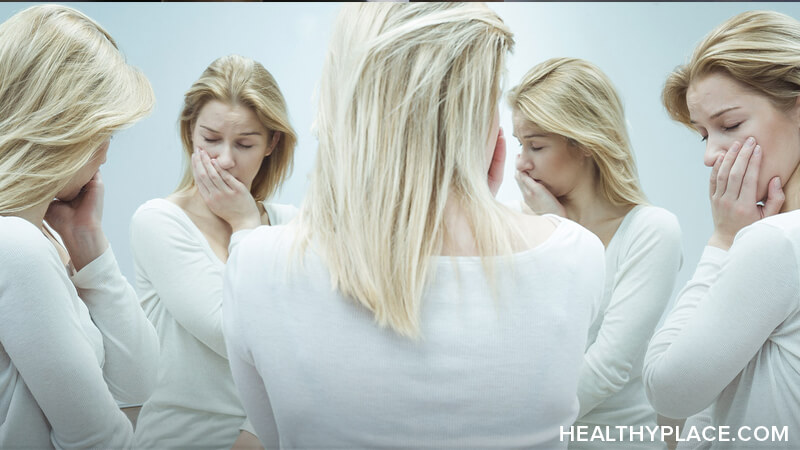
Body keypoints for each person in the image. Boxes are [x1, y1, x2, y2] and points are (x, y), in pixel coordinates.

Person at [222, 3, 605, 449]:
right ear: (479, 117)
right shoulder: (576, 256)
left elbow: (279, 436)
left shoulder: (257, 265)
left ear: (346, 100)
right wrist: (474, 203)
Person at [0, 4, 159, 448]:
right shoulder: (16, 246)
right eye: (103, 132)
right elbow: (98, 439)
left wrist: (90, 244)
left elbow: (142, 379)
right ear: (63, 125)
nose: (106, 154)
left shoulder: (39, 239)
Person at [643, 10, 800, 449]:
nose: (711, 155)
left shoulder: (777, 244)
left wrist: (724, 240)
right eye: (702, 134)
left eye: (730, 125)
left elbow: (667, 393)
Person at [507, 57, 683, 448]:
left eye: (536, 145)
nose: (522, 163)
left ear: (584, 142)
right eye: (521, 145)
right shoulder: (526, 225)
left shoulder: (652, 231)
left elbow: (609, 368)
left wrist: (518, 428)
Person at [130, 54, 297, 449]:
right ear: (190, 133)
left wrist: (254, 432)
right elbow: (235, 334)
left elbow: (316, 344)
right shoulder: (158, 221)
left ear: (272, 143)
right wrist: (244, 226)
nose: (224, 159)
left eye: (244, 143)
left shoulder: (292, 225)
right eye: (210, 139)